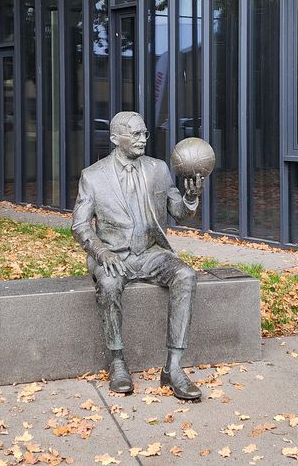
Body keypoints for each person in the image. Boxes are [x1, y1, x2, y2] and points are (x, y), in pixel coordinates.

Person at [71, 111, 206, 400]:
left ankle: (173, 368)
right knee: (108, 285)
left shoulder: (158, 169)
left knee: (186, 274)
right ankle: (117, 361)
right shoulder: (93, 177)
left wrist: (191, 198)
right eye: (135, 134)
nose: (143, 139)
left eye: (144, 133)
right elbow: (80, 225)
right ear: (114, 138)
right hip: (113, 255)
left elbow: (178, 213)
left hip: (151, 253)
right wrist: (101, 251)